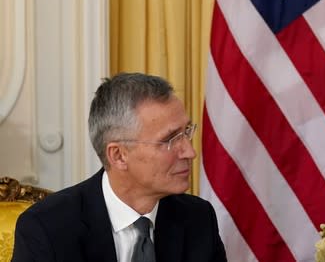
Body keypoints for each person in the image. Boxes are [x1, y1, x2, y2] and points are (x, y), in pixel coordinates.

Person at [12, 72, 227, 261]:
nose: (190, 152)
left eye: (187, 132)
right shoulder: (47, 227)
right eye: (170, 139)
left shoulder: (198, 218)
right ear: (118, 156)